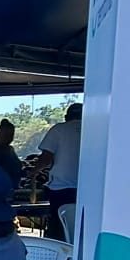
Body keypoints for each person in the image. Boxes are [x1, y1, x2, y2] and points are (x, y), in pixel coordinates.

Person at [36, 102, 83, 240]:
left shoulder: (58, 129)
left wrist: (33, 172)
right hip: (87, 191)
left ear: (66, 116)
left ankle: (61, 259)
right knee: (81, 231)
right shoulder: (94, 130)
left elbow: (46, 158)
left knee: (59, 231)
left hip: (61, 190)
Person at [0, 119, 24, 187]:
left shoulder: (10, 149)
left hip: (13, 186)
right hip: (1, 188)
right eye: (5, 135)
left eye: (11, 135)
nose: (9, 138)